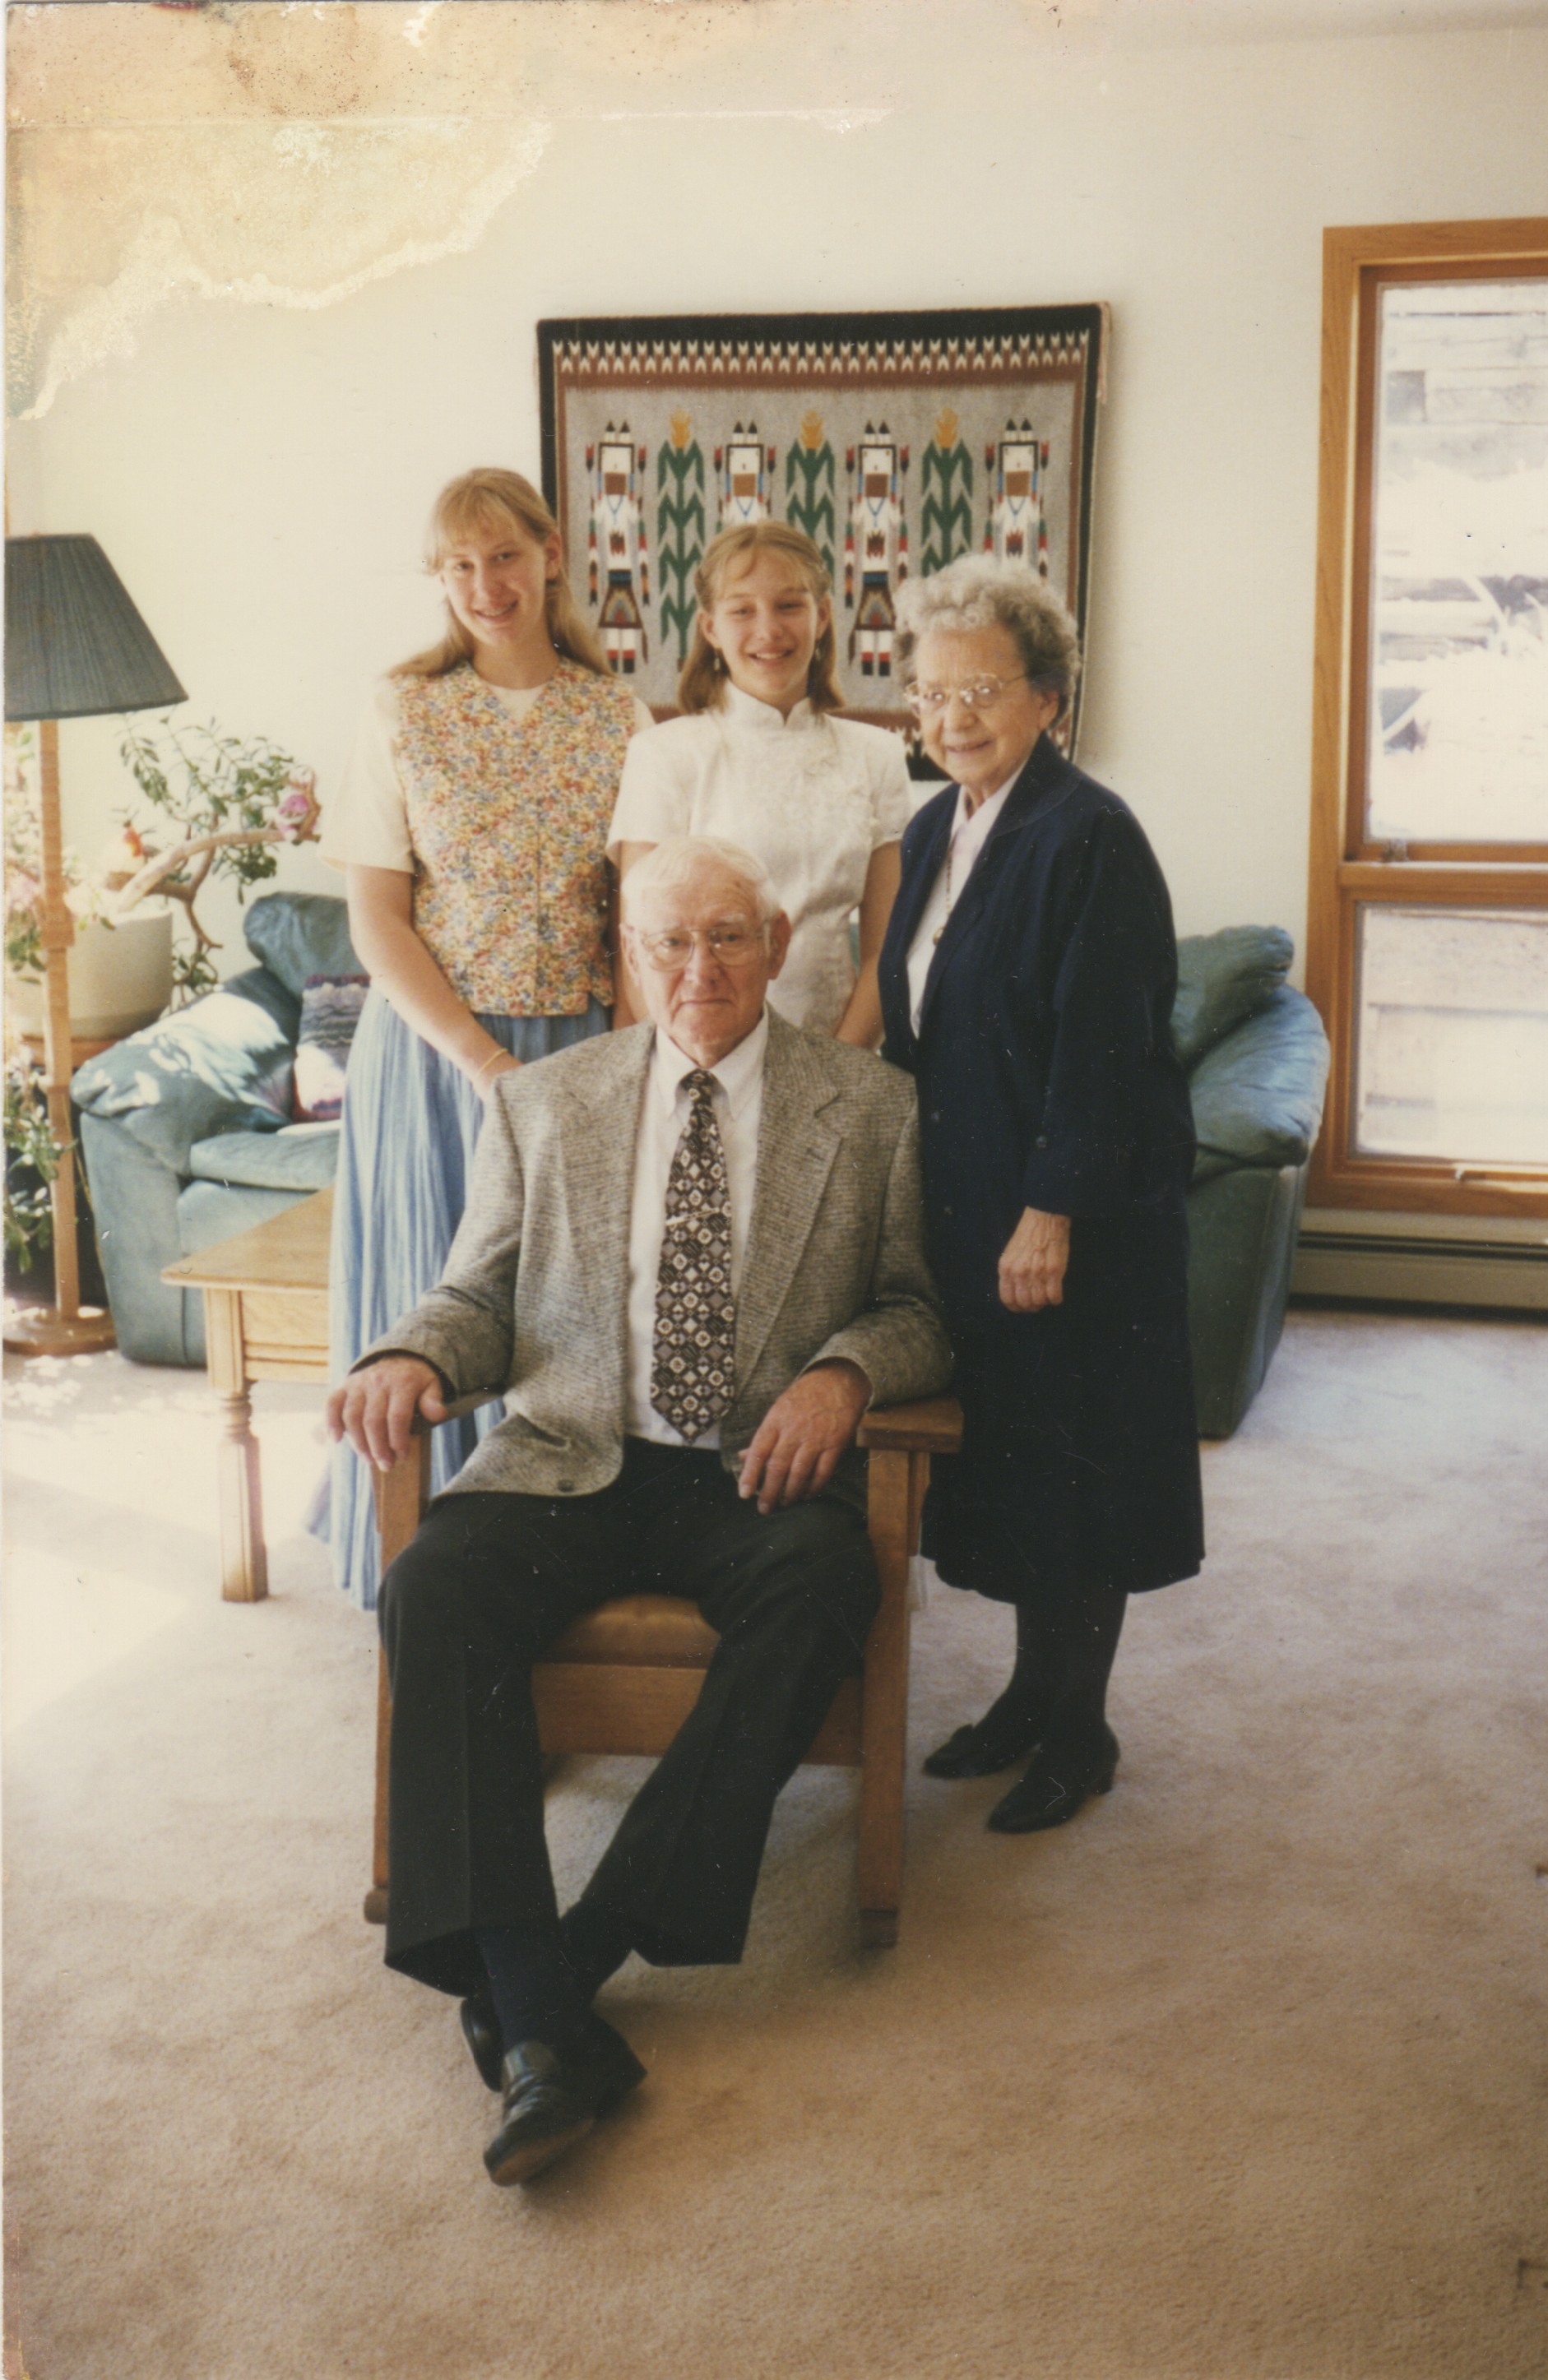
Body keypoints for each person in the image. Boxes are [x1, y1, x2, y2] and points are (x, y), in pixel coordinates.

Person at [327, 836, 950, 2188]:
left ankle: (560, 1972)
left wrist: (845, 1373)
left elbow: (917, 1306)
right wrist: (410, 1353)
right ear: (628, 951)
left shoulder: (872, 1106)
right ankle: (543, 2008)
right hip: (574, 1453)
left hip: (754, 1472)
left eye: (726, 936)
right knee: (434, 1583)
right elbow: (476, 1294)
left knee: (826, 1585)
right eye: (667, 939)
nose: (696, 967)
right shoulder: (545, 1101)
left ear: (779, 944)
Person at [877, 558, 1204, 1836]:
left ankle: (1079, 1729)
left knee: (1078, 1468)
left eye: (982, 689)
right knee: (1016, 1464)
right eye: (930, 690)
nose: (951, 715)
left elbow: (1105, 1050)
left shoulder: (1088, 834)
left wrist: (1050, 1210)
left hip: (1070, 1215)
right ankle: (1027, 1695)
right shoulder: (933, 828)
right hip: (973, 1201)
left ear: (1047, 698)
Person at [320, 467, 651, 1610]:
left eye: (504, 555)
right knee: (435, 1293)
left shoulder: (618, 715)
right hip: (435, 1054)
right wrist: (483, 1063)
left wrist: (622, 1060)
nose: (484, 584)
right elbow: (377, 918)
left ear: (551, 555)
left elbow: (635, 915)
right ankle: (419, 1568)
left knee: (562, 1310)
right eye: (458, 564)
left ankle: (543, 1569)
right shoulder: (402, 708)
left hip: (577, 1047)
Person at [607, 520, 910, 1044]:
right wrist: (701, 1071)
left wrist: (833, 1071)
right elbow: (640, 953)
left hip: (834, 1051)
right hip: (697, 1052)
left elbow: (886, 952)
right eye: (742, 610)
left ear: (821, 617)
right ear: (710, 628)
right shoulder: (663, 753)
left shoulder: (876, 755)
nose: (768, 631)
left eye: (789, 606)